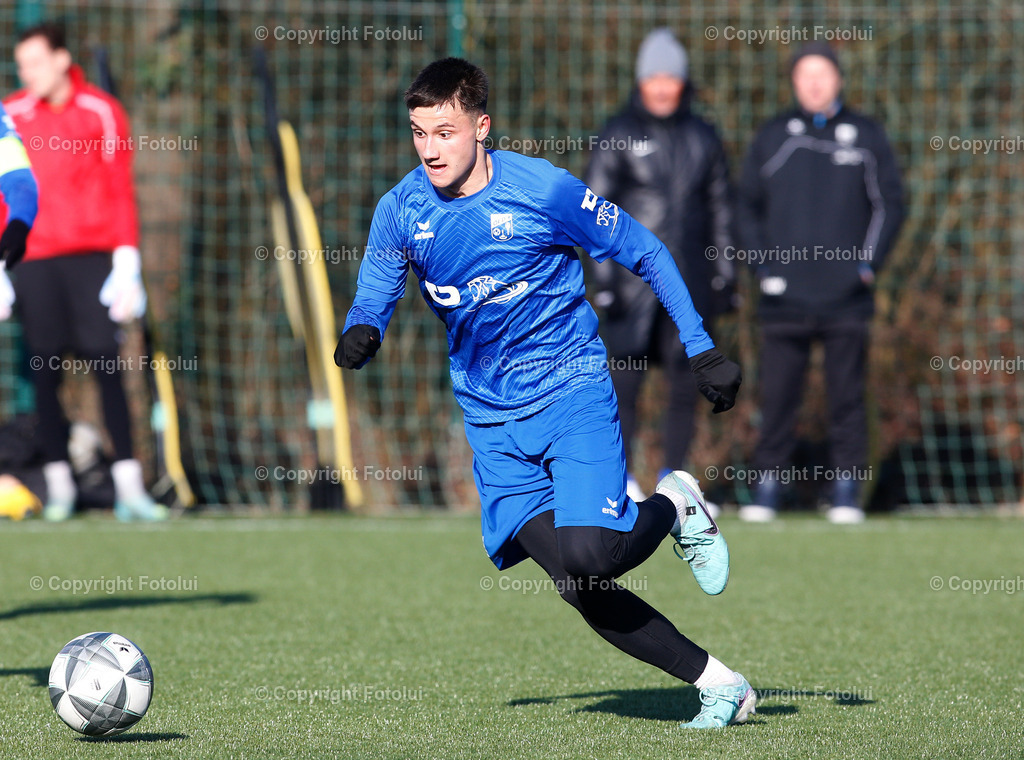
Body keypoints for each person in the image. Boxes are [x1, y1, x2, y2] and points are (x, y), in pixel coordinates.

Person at [336, 57, 754, 728]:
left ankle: (676, 503)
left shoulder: (542, 191)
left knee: (593, 552)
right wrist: (362, 327)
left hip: (571, 394)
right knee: (579, 583)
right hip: (492, 423)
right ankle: (720, 683)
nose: (430, 148)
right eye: (418, 133)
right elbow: (378, 284)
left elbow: (644, 248)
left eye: (444, 132)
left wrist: (701, 347)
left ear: (481, 126)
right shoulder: (401, 208)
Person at [734, 42, 904, 524]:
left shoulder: (866, 135)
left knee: (847, 396)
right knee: (778, 395)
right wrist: (764, 269)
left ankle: (846, 492)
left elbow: (890, 203)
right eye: (804, 74)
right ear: (793, 82)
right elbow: (744, 205)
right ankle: (767, 488)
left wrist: (865, 266)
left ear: (838, 79)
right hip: (782, 299)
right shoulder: (773, 136)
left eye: (822, 74)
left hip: (846, 298)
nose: (813, 83)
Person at [1, 23, 164, 522]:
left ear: (60, 59)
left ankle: (130, 486)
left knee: (105, 362)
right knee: (45, 367)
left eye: (33, 62)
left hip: (92, 257)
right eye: (20, 64)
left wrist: (126, 259)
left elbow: (119, 187)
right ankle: (58, 485)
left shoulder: (101, 111)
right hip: (32, 259)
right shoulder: (11, 114)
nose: (25, 73)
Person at [585, 29, 735, 507]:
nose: (663, 86)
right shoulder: (617, 132)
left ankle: (675, 484)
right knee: (621, 391)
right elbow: (594, 210)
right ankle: (620, 484)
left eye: (671, 77)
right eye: (655, 77)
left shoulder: (704, 136)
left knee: (684, 388)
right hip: (628, 289)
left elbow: (722, 212)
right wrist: (604, 281)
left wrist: (725, 275)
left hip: (689, 286)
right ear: (642, 81)